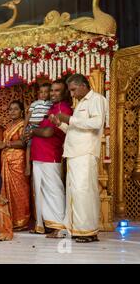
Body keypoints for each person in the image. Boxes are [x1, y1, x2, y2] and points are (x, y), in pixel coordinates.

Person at [50, 74, 108, 243]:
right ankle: (74, 228)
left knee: (84, 192)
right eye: (71, 91)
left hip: (85, 153)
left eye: (74, 90)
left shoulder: (96, 99)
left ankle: (88, 231)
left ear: (83, 85)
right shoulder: (80, 103)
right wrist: (59, 124)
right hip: (74, 153)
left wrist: (69, 118)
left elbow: (97, 123)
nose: (72, 94)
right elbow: (74, 130)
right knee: (74, 192)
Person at [25, 81, 73, 237]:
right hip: (40, 155)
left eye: (57, 91)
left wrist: (33, 132)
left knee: (54, 190)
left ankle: (60, 227)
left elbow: (48, 133)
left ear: (65, 93)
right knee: (41, 192)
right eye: (51, 90)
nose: (52, 93)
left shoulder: (63, 109)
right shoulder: (52, 108)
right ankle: (45, 225)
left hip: (50, 155)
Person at [0, 101, 30, 231]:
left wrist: (6, 145)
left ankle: (22, 220)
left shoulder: (24, 124)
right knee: (7, 189)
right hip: (6, 160)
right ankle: (10, 219)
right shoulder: (9, 125)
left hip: (18, 161)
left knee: (20, 190)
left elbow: (24, 142)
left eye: (16, 109)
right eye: (10, 109)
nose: (12, 112)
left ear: (22, 111)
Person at [23, 83, 53, 176]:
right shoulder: (34, 103)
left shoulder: (51, 104)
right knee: (29, 146)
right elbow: (29, 115)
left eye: (46, 92)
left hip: (42, 128)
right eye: (41, 92)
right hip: (32, 126)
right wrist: (24, 127)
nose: (43, 94)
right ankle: (28, 166)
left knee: (41, 145)